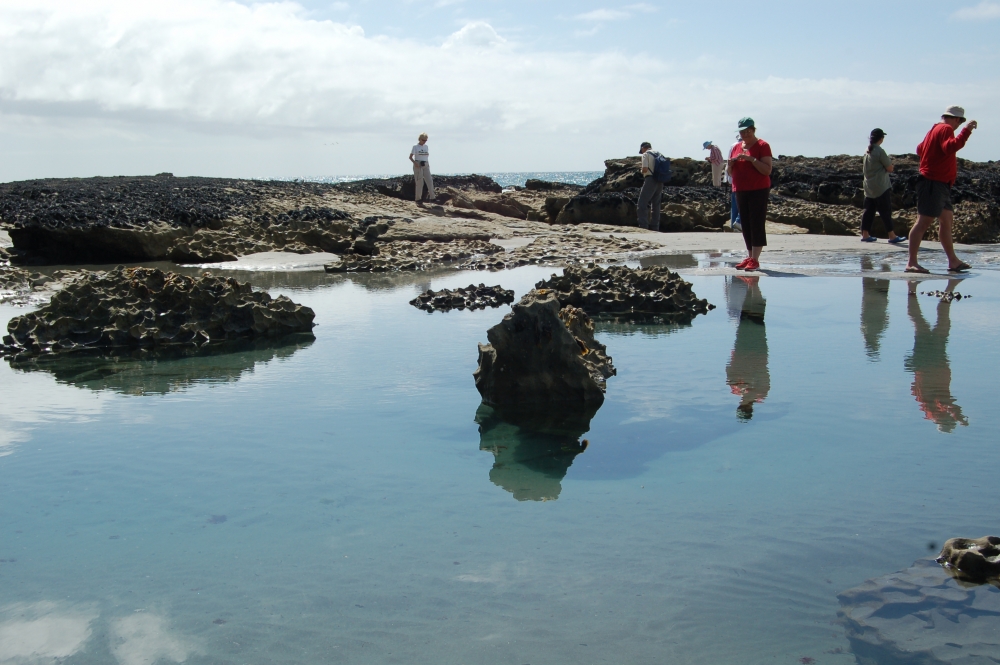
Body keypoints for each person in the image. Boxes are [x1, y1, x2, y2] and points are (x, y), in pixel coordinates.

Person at [905, 106, 978, 274]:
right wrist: (966, 132)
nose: (959, 125)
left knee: (946, 220)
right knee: (923, 222)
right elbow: (949, 147)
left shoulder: (935, 128)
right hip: (933, 182)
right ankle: (911, 263)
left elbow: (919, 149)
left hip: (941, 183)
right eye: (960, 122)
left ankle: (953, 261)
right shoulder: (945, 128)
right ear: (956, 119)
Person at [905, 279, 968, 432]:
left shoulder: (934, 409)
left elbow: (945, 401)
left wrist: (958, 416)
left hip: (932, 362)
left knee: (937, 321)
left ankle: (916, 289)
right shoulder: (927, 408)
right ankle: (913, 289)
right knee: (923, 321)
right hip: (931, 362)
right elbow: (915, 389)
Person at [729, 118, 772, 271]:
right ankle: (750, 256)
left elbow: (767, 170)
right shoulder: (736, 147)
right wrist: (731, 164)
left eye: (748, 131)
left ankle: (755, 258)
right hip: (740, 188)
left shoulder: (762, 145)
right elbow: (730, 172)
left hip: (758, 189)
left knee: (756, 222)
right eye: (742, 131)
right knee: (745, 224)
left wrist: (751, 159)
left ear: (753, 130)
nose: (745, 134)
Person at [725, 275, 769, 421]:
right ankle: (753, 286)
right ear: (749, 408)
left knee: (746, 318)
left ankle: (752, 286)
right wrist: (749, 385)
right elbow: (764, 377)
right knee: (756, 319)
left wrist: (739, 382)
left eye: (742, 407)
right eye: (745, 407)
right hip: (757, 353)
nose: (743, 404)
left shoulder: (735, 389)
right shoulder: (761, 394)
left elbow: (728, 370)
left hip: (742, 351)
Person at [860, 128, 905, 244]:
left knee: (868, 211)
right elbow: (890, 168)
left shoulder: (867, 150)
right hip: (880, 185)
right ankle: (892, 236)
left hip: (868, 185)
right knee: (885, 211)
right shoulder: (879, 151)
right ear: (881, 138)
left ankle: (865, 234)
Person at [637, 142, 663, 231]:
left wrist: (640, 171)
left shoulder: (646, 154)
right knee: (656, 204)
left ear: (643, 148)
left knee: (642, 203)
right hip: (660, 180)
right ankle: (655, 227)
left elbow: (645, 169)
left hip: (650, 179)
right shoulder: (659, 153)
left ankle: (643, 226)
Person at [409, 133, 435, 203]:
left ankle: (433, 198)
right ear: (420, 139)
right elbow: (410, 157)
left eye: (426, 140)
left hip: (426, 164)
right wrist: (415, 163)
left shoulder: (426, 146)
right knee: (420, 182)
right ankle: (418, 199)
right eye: (423, 140)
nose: (424, 141)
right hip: (418, 164)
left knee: (429, 181)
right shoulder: (415, 147)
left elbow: (426, 156)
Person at [725, 136, 742, 232]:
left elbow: (729, 163)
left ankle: (733, 225)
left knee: (735, 203)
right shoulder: (742, 146)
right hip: (740, 179)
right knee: (743, 203)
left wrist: (727, 178)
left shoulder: (733, 146)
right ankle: (738, 222)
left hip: (732, 178)